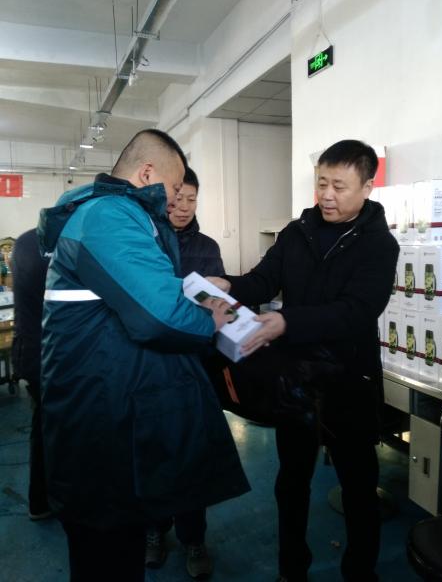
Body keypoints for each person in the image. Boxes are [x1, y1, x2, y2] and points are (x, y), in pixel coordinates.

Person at [38, 129, 250, 582]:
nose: (174, 201)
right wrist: (210, 319)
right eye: (173, 188)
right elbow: (159, 317)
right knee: (107, 557)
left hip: (107, 409)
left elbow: (134, 293)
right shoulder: (109, 216)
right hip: (98, 424)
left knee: (119, 546)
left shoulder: (107, 215)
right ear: (147, 173)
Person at [208, 140, 399, 582]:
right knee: (291, 482)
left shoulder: (379, 245)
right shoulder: (297, 232)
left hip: (350, 382)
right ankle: (292, 570)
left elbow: (357, 310)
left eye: (339, 186)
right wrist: (230, 286)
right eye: (321, 183)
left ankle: (360, 573)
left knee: (358, 488)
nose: (327, 195)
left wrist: (286, 322)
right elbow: (263, 280)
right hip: (294, 381)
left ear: (367, 187)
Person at [145, 166, 225, 579]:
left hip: (196, 366)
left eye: (191, 200)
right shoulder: (147, 242)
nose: (183, 207)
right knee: (155, 454)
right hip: (153, 367)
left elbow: (217, 308)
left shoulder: (208, 248)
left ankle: (194, 539)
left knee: (193, 457)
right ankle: (155, 531)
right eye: (178, 199)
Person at [10, 228, 51, 520]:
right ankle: (48, 500)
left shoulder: (25, 241)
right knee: (52, 427)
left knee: (43, 424)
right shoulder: (59, 247)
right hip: (47, 356)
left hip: (29, 351)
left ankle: (41, 501)